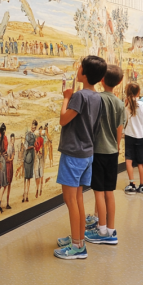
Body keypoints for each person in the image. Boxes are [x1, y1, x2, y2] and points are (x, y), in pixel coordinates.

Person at [55, 55, 106, 260]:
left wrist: (66, 97)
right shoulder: (97, 97)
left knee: (70, 200)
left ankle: (77, 246)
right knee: (78, 198)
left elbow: (63, 119)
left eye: (80, 67)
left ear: (84, 73)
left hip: (73, 154)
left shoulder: (79, 96)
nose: (78, 69)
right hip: (87, 154)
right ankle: (78, 238)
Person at [85, 65, 124, 245]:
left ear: (101, 79)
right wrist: (116, 147)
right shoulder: (119, 103)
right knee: (110, 192)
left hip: (98, 151)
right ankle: (111, 229)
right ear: (120, 82)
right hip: (112, 152)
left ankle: (101, 231)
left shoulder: (97, 99)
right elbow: (119, 129)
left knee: (98, 193)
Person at [123, 82, 143, 194]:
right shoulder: (142, 104)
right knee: (140, 162)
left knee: (129, 160)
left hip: (129, 135)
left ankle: (132, 184)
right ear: (138, 92)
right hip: (140, 136)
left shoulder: (125, 104)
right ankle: (142, 185)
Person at [22, 120, 37, 202]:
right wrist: (32, 147)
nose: (33, 128)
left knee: (28, 178)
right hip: (27, 157)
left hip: (31, 157)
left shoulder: (34, 136)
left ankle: (26, 195)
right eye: (32, 126)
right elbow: (26, 147)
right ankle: (25, 195)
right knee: (26, 177)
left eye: (34, 127)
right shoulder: (28, 134)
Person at [33, 128, 45, 198]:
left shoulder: (41, 139)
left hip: (40, 156)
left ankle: (40, 189)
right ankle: (38, 189)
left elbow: (41, 148)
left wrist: (39, 152)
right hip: (37, 157)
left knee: (40, 174)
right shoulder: (36, 140)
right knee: (37, 174)